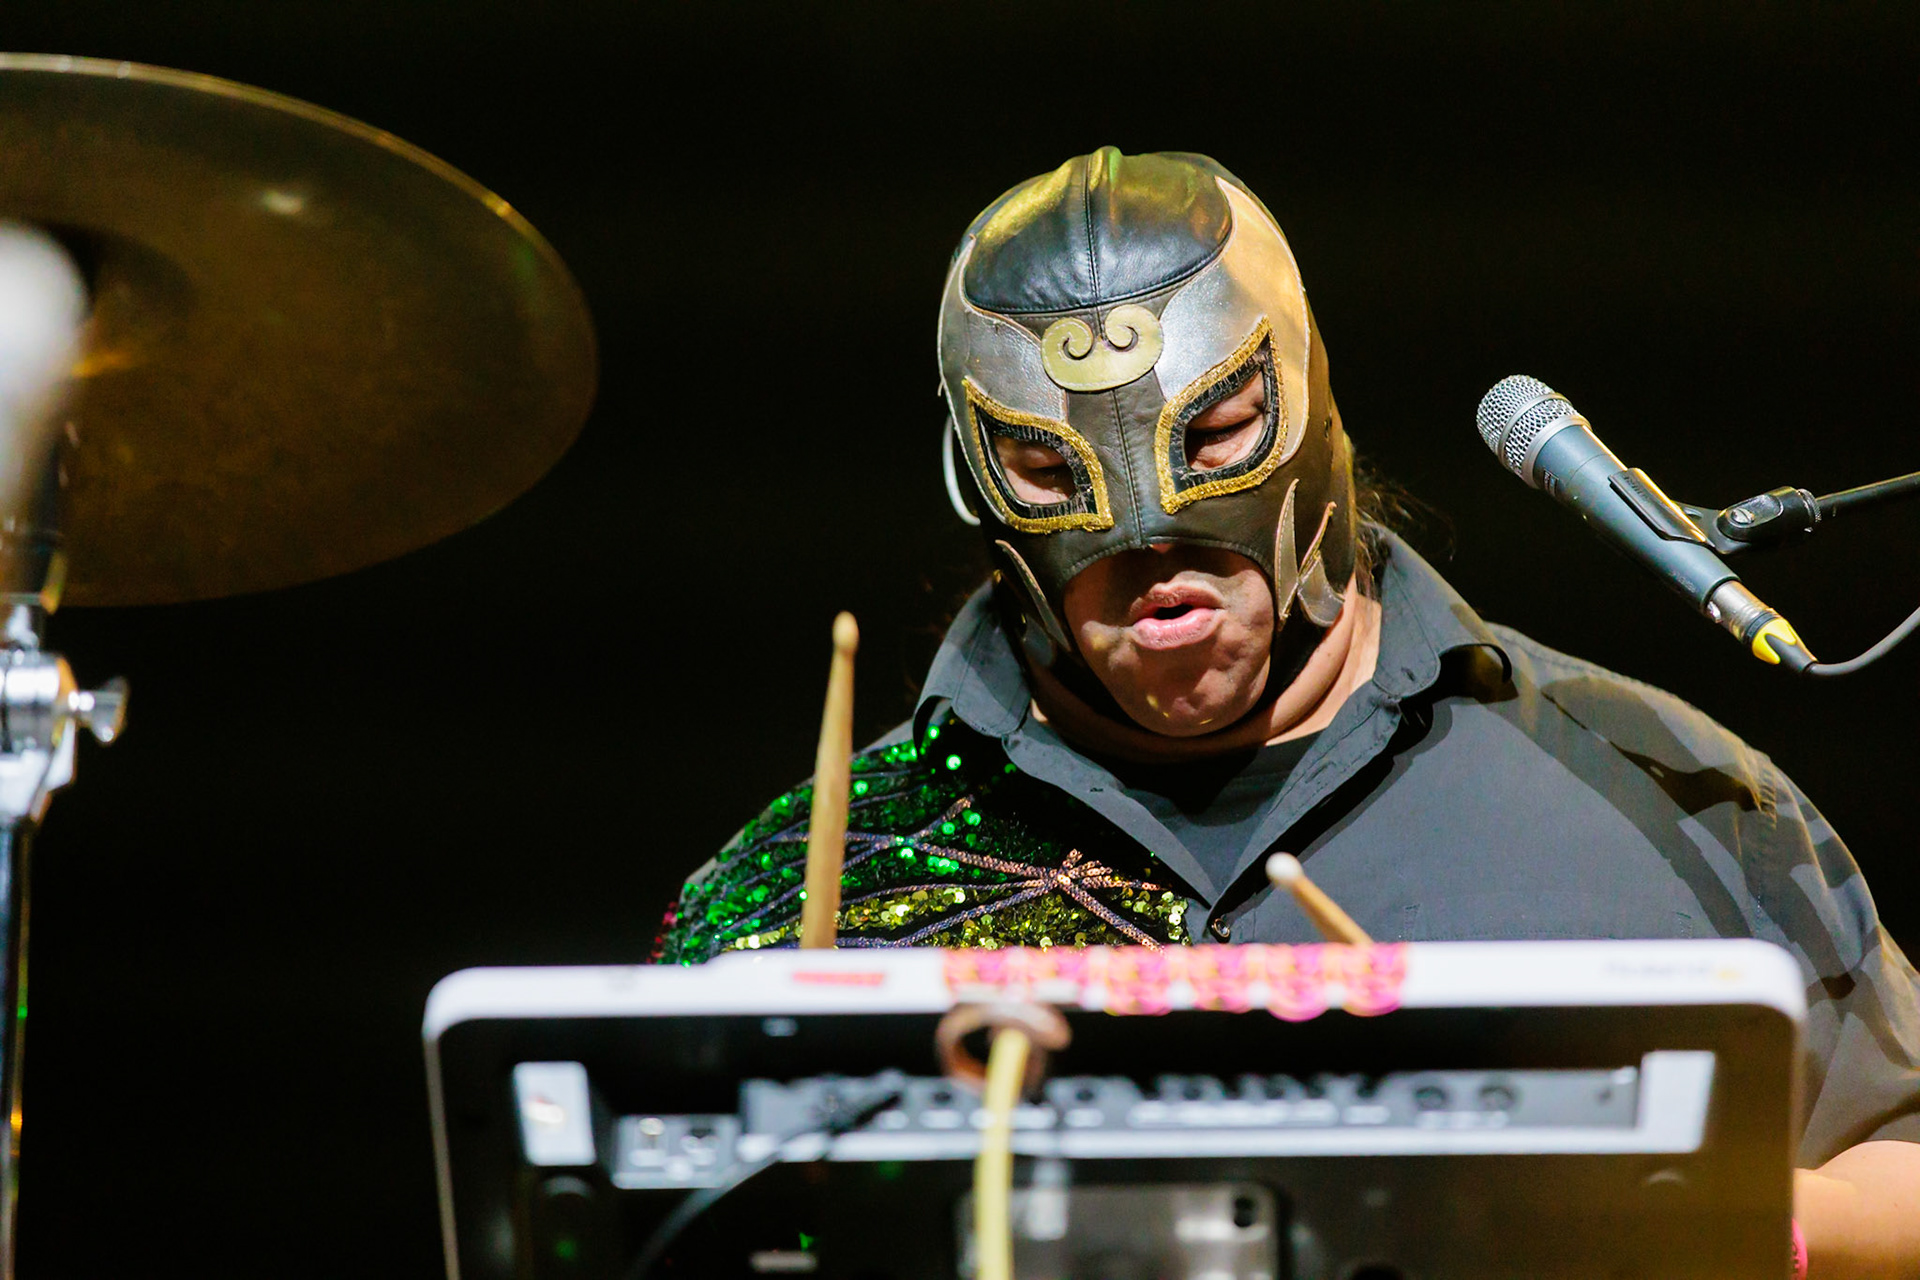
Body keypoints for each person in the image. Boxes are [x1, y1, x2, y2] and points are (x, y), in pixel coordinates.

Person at [653, 148, 1920, 1275]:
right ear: (977, 484)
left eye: (1216, 432)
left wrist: (1722, 1216)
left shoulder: (1666, 793)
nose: (1152, 545)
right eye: (1049, 472)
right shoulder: (800, 887)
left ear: (1308, 402)